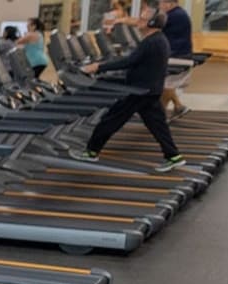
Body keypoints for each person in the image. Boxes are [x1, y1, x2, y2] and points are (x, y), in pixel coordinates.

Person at [71, 7, 185, 173]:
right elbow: (134, 61)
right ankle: (173, 156)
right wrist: (118, 21)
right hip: (149, 90)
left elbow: (128, 62)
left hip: (139, 91)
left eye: (143, 19)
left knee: (110, 120)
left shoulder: (151, 42)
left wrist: (97, 67)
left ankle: (91, 152)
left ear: (152, 23)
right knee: (157, 125)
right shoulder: (158, 39)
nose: (139, 21)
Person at [159, 0, 193, 118]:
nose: (160, 6)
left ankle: (159, 115)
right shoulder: (179, 13)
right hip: (179, 54)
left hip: (176, 57)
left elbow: (153, 27)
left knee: (166, 85)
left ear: (169, 4)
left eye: (161, 3)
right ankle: (178, 106)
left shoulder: (173, 15)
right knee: (169, 83)